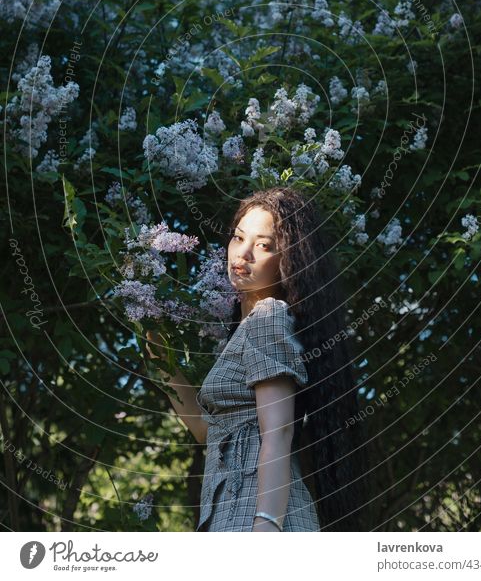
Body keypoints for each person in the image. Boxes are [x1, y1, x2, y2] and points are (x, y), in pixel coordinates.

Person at [146, 186, 369, 531]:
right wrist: (160, 357)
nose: (243, 253)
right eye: (238, 238)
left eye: (263, 245)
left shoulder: (269, 318)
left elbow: (278, 432)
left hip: (259, 515)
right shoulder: (246, 329)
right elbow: (207, 431)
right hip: (232, 513)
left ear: (289, 260)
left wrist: (266, 524)